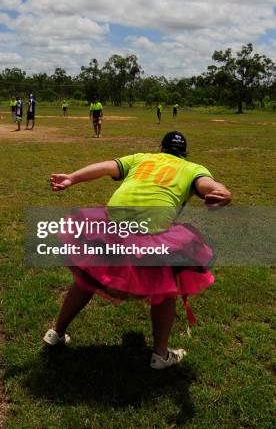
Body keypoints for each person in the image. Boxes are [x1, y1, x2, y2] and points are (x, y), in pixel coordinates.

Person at [44, 131, 231, 369]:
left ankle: (56, 332)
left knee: (86, 279)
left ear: (161, 149)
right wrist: (223, 192)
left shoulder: (143, 157)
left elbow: (105, 167)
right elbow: (207, 185)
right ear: (185, 154)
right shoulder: (193, 168)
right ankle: (160, 355)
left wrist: (72, 177)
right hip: (150, 232)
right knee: (165, 291)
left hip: (113, 222)